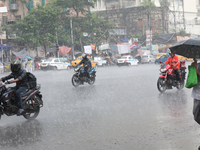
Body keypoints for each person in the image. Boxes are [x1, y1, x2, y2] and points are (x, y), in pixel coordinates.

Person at [191, 60, 200, 124]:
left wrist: (197, 71)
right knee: (196, 114)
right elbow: (192, 78)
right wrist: (192, 68)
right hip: (197, 93)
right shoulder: (198, 63)